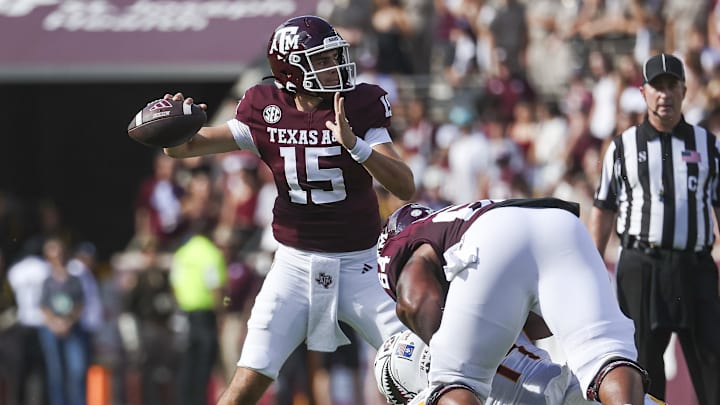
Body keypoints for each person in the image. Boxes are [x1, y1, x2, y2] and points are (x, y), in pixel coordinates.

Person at [153, 14, 415, 404]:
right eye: (322, 60)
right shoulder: (264, 106)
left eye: (333, 57)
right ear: (292, 70)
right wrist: (172, 125)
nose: (334, 67)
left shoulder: (360, 105)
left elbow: (404, 186)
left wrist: (355, 145)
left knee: (418, 372)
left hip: (360, 264)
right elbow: (185, 149)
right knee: (248, 381)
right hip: (294, 265)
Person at [376, 199, 649, 405]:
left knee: (453, 378)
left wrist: (442, 354)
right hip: (561, 222)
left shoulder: (400, 245)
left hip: (491, 239)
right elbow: (541, 324)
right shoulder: (451, 221)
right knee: (604, 354)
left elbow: (412, 301)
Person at [589, 53, 720, 404]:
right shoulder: (622, 147)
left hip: (696, 266)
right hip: (642, 267)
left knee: (713, 364)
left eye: (671, 86)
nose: (665, 95)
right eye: (657, 87)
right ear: (644, 92)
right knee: (644, 367)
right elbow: (603, 210)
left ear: (684, 90)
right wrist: (589, 267)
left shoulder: (708, 146)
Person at [38, 237, 88, 405]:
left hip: (72, 328)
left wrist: (68, 322)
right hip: (52, 330)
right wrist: (54, 323)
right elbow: (43, 306)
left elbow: (80, 304)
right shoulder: (47, 282)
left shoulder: (75, 280)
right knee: (56, 372)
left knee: (77, 371)